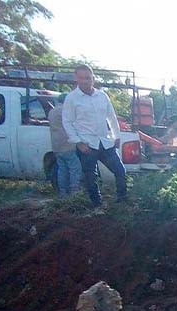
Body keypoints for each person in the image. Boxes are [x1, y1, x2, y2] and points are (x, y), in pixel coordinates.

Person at [62, 64, 127, 207]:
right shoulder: (72, 98)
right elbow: (67, 122)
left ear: (93, 78)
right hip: (87, 145)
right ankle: (97, 205)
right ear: (76, 79)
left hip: (105, 142)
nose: (85, 81)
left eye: (88, 78)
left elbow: (111, 117)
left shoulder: (102, 96)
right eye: (81, 78)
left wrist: (117, 136)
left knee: (120, 171)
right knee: (90, 177)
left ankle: (122, 201)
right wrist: (78, 142)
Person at [48, 93, 81, 197]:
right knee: (75, 168)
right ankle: (75, 192)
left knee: (62, 169)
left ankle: (62, 192)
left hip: (56, 146)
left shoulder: (52, 111)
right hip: (68, 144)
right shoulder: (66, 111)